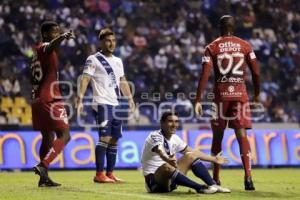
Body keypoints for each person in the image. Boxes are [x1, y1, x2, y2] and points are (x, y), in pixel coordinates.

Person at [194, 15, 260, 190]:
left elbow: (204, 76)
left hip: (220, 97)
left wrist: (198, 99)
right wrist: (257, 94)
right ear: (234, 26)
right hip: (240, 95)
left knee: (218, 136)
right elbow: (256, 73)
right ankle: (248, 177)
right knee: (241, 136)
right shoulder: (245, 46)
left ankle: (215, 179)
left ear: (219, 27)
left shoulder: (211, 47)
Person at [77, 28, 135, 183]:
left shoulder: (118, 61)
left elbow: (122, 80)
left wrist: (130, 99)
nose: (112, 43)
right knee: (105, 138)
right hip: (102, 102)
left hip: (116, 103)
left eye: (114, 40)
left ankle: (110, 173)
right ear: (101, 42)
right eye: (108, 41)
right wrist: (80, 98)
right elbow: (85, 79)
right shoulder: (93, 59)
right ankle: (99, 174)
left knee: (115, 138)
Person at [141, 111, 231, 194]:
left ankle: (213, 185)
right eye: (170, 121)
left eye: (176, 121)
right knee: (166, 166)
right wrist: (167, 159)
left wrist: (214, 159)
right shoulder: (154, 136)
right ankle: (200, 188)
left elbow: (192, 151)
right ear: (162, 123)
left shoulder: (175, 138)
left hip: (172, 179)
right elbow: (160, 150)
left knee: (191, 155)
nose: (174, 124)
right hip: (154, 182)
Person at [31, 21, 75, 187]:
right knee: (65, 135)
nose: (57, 34)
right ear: (45, 34)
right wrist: (63, 37)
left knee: (47, 137)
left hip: (36, 99)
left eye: (58, 31)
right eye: (54, 32)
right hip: (49, 98)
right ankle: (43, 165)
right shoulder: (44, 47)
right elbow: (50, 46)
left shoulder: (36, 52)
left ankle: (44, 178)